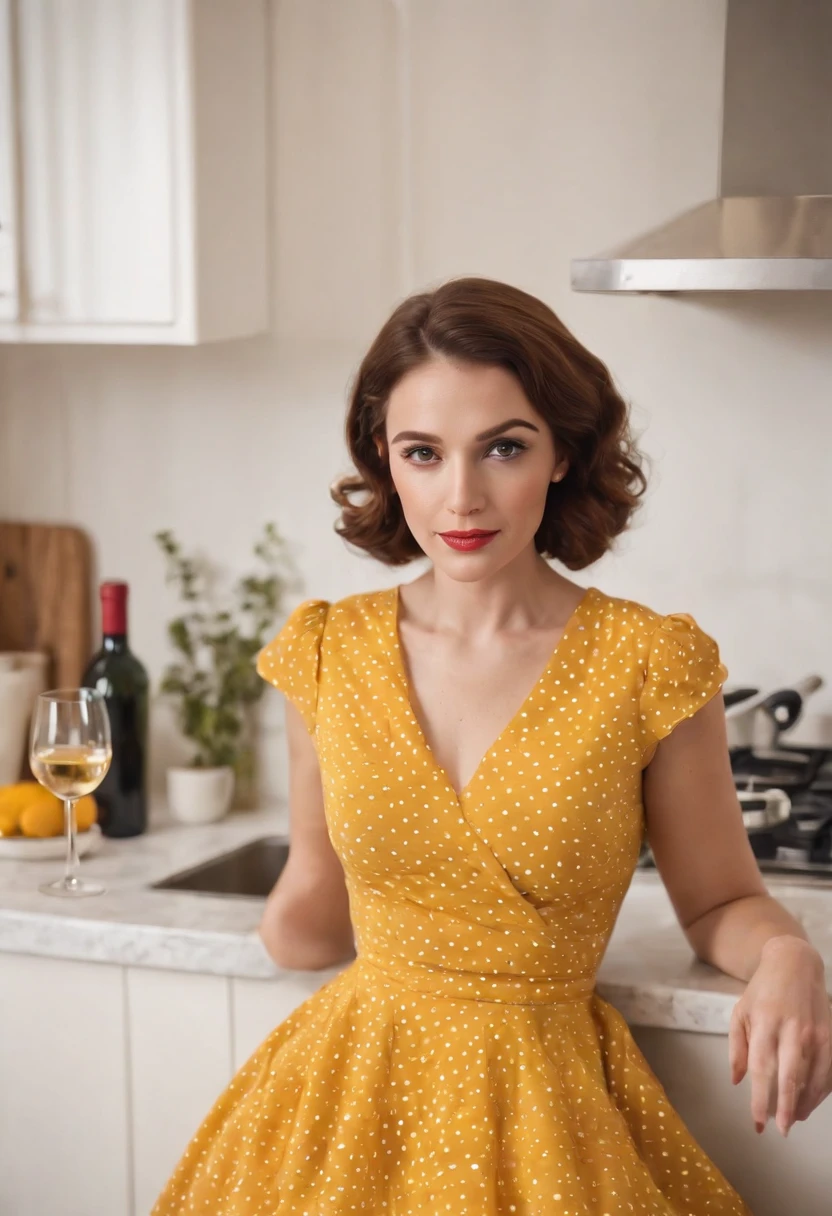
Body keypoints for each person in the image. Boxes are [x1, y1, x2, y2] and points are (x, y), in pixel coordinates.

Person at [152, 277, 831, 1215]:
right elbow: (310, 914)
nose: (460, 496)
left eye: (503, 447)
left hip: (545, 1123)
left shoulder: (648, 662)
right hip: (349, 1105)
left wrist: (792, 958)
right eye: (421, 453)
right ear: (385, 461)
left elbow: (719, 902)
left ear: (561, 453)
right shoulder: (324, 652)